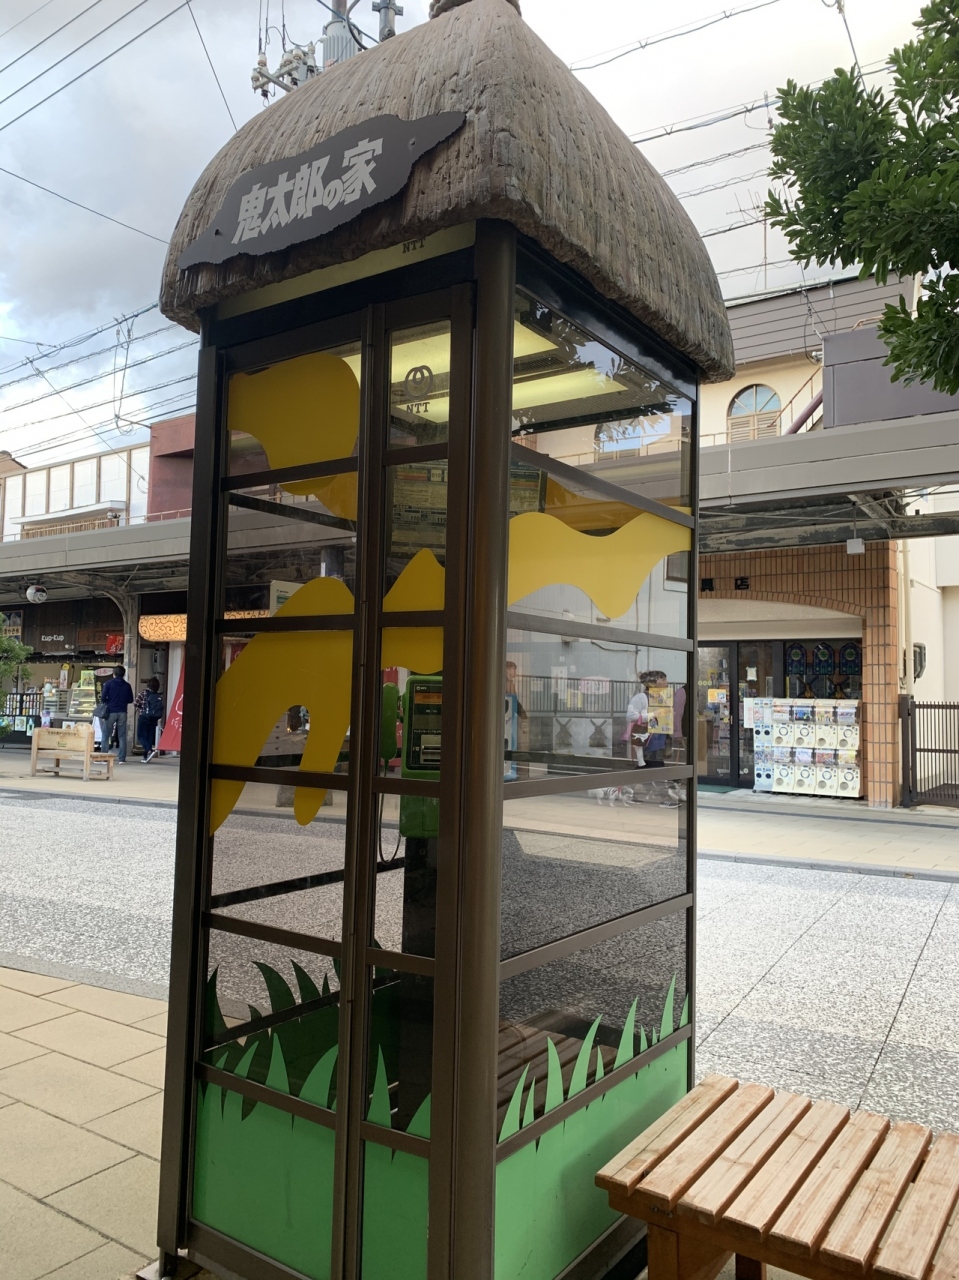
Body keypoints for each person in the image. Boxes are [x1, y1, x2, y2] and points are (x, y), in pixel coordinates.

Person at [99, 664, 134, 763]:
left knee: (106, 734)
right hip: (122, 712)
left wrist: (109, 701)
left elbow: (103, 698)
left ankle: (104, 758)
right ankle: (122, 758)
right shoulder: (127, 685)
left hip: (111, 711)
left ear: (114, 674)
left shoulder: (108, 684)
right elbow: (130, 699)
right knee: (122, 735)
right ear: (124, 674)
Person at [134, 676, 164, 763]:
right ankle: (146, 757)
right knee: (149, 737)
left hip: (143, 717)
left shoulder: (143, 693)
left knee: (141, 736)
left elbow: (135, 703)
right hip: (153, 718)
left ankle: (149, 750)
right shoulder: (157, 695)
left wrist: (140, 707)